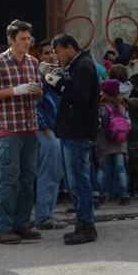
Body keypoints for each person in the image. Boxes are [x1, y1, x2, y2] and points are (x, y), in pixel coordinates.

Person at [0, 20, 43, 245]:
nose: (27, 43)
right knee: (9, 180)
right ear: (11, 40)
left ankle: (22, 224)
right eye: (23, 39)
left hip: (30, 127)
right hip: (10, 129)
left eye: (29, 39)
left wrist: (37, 92)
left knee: (28, 180)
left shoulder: (33, 63)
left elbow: (39, 94)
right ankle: (3, 228)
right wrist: (15, 91)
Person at [52, 33, 100, 245]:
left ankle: (87, 226)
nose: (56, 56)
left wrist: (60, 83)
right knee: (75, 182)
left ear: (69, 47)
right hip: (71, 131)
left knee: (79, 181)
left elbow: (80, 96)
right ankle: (82, 224)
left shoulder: (83, 66)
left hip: (78, 132)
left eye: (57, 51)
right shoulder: (79, 65)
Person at [34, 40, 67, 230]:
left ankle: (47, 214)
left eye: (53, 52)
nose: (51, 56)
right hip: (46, 132)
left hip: (57, 131)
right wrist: (45, 128)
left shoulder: (59, 76)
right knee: (48, 175)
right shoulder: (39, 76)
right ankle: (44, 217)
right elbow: (36, 103)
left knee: (55, 174)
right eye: (46, 53)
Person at [96, 79, 131, 205]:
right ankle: (124, 194)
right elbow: (128, 125)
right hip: (120, 143)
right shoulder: (121, 106)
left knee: (103, 169)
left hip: (103, 143)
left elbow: (97, 125)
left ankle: (101, 194)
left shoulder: (101, 107)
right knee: (121, 168)